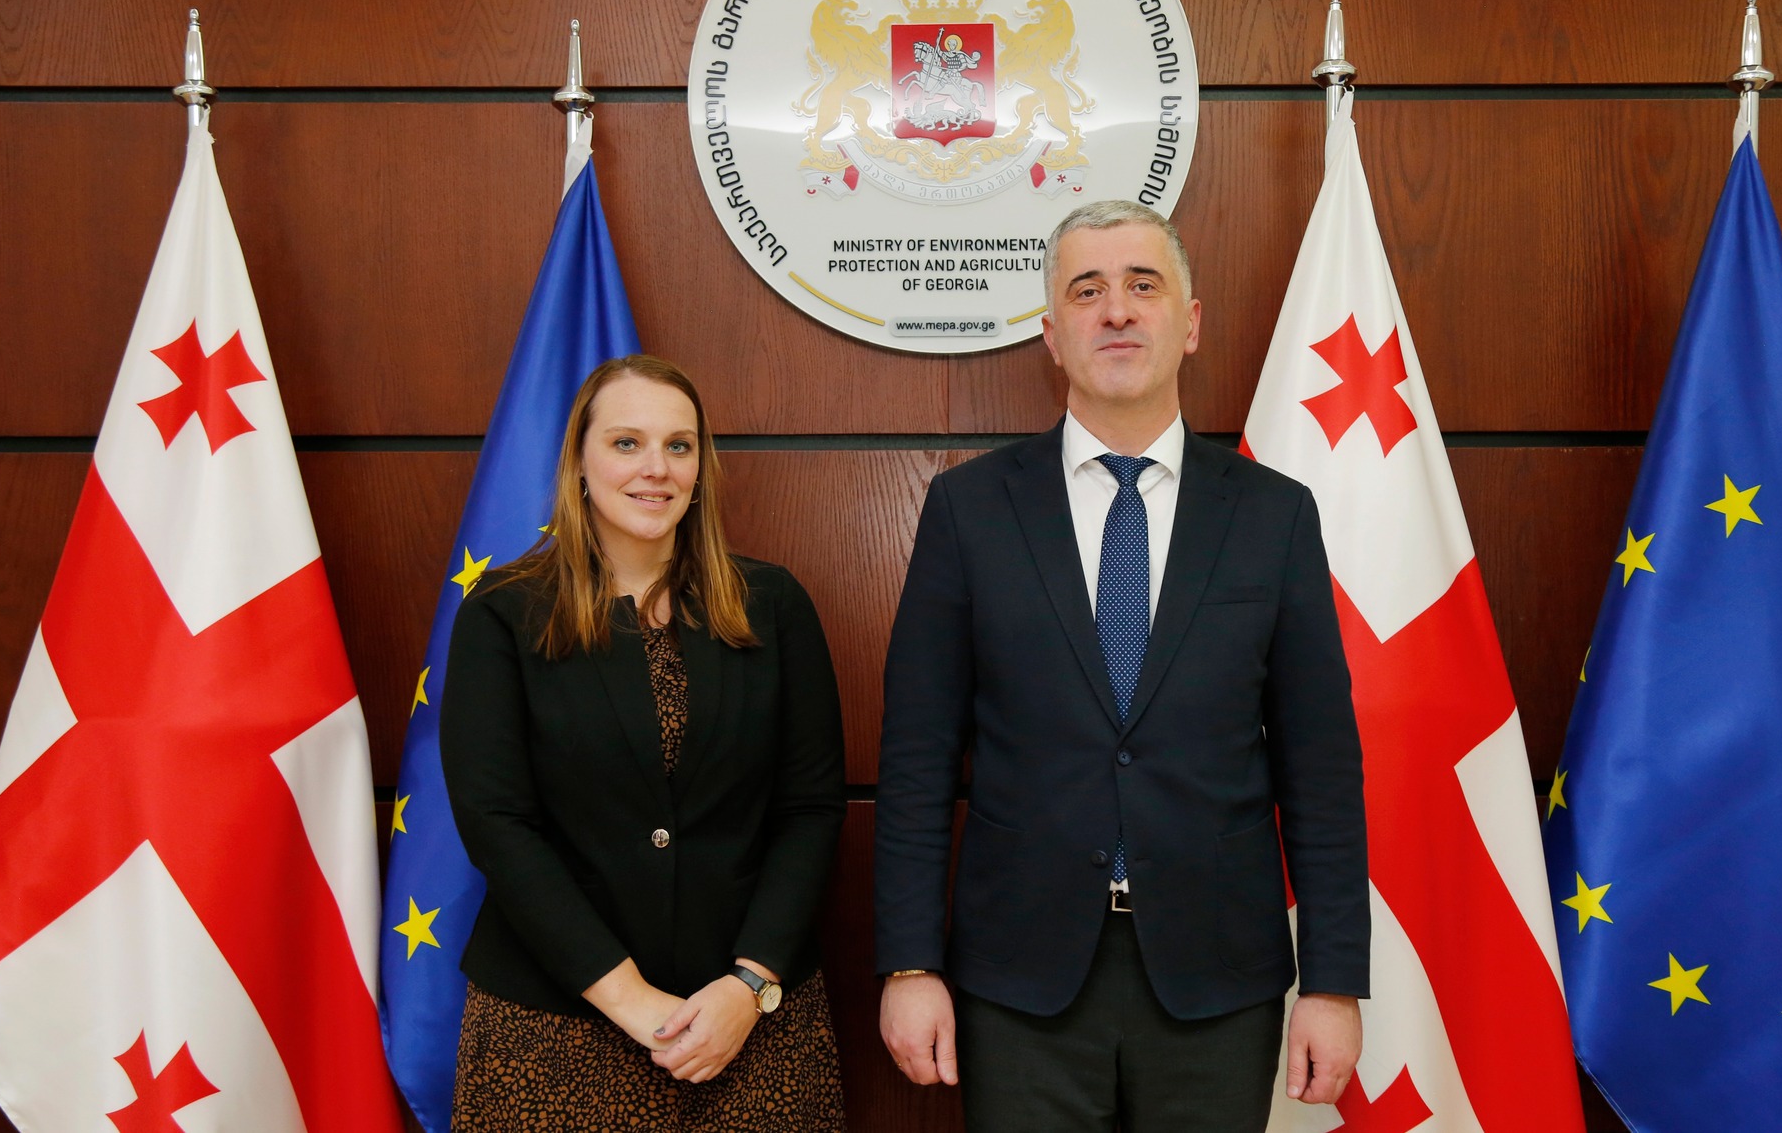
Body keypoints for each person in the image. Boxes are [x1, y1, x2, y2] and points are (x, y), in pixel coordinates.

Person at [874, 200, 1368, 1131]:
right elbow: (915, 764)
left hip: (1219, 982)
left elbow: (1322, 770)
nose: (1116, 310)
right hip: (1018, 983)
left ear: (1190, 323)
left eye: (1144, 285)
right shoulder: (968, 510)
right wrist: (909, 964)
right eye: (1086, 290)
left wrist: (1334, 980)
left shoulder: (1274, 516)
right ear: (1051, 335)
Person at [441, 354, 847, 1132]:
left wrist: (749, 984)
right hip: (555, 1024)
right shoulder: (503, 613)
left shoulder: (773, 604)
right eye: (626, 442)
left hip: (748, 1025)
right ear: (579, 460)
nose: (656, 467)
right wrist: (629, 999)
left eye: (678, 445)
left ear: (700, 467)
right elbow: (497, 823)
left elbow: (811, 808)